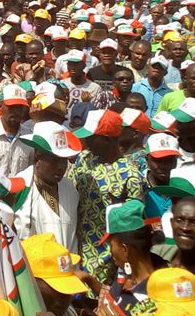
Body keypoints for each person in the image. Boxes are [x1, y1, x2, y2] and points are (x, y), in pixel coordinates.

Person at [69, 109, 143, 284]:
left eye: (91, 137)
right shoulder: (84, 159)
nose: (86, 141)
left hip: (105, 256)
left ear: (109, 139)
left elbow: (132, 225)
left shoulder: (129, 174)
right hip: (73, 244)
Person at [14, 122, 81, 251]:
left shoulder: (70, 189)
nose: (61, 167)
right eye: (54, 160)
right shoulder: (19, 187)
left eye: (64, 160)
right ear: (37, 159)